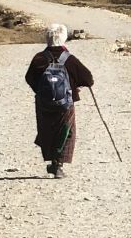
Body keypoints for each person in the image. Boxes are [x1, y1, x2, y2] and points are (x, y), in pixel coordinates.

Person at [25, 23, 94, 178]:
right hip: (66, 104)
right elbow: (88, 79)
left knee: (46, 130)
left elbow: (29, 78)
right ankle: (58, 165)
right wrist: (74, 85)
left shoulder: (39, 58)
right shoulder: (69, 59)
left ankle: (52, 161)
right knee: (66, 132)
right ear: (63, 38)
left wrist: (42, 91)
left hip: (44, 103)